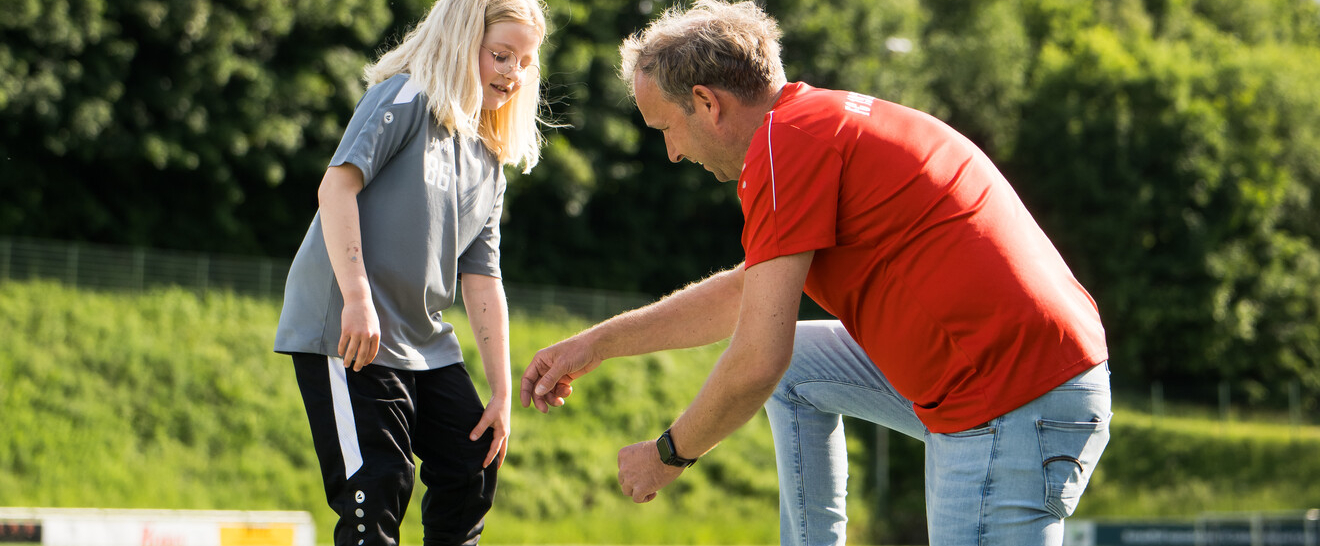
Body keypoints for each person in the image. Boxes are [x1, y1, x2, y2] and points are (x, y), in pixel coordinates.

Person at [519, 1, 1111, 545]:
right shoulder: (809, 124)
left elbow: (757, 359)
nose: (673, 152)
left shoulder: (784, 147)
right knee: (800, 369)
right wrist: (598, 343)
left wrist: (666, 456)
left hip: (1012, 395)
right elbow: (749, 294)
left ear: (707, 102)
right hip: (1024, 374)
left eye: (666, 129)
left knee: (776, 365)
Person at [274, 0, 548, 544]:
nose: (512, 73)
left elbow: (483, 276)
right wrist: (358, 299)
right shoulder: (405, 96)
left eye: (524, 61)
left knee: (472, 461)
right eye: (500, 55)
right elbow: (336, 187)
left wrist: (500, 392)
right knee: (378, 486)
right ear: (462, 40)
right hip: (348, 332)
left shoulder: (488, 156)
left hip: (423, 342)